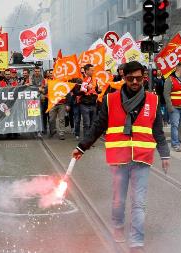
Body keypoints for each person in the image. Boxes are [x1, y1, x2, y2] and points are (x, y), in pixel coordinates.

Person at [72, 61, 170, 253]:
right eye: (131, 78)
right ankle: (117, 226)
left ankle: (136, 243)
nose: (135, 81)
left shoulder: (153, 100)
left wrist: (165, 154)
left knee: (139, 203)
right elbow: (98, 126)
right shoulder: (110, 99)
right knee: (119, 200)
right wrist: (82, 147)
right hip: (119, 159)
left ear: (144, 78)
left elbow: (158, 130)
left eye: (139, 78)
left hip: (142, 157)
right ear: (123, 77)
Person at [164, 62, 181, 152]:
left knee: (178, 126)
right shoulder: (169, 79)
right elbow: (166, 94)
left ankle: (175, 141)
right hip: (174, 107)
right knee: (174, 125)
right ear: (180, 68)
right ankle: (175, 144)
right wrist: (170, 107)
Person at [79, 64, 99, 138]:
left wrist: (98, 90)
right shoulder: (80, 79)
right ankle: (86, 140)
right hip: (84, 104)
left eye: (93, 70)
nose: (93, 71)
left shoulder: (95, 79)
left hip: (93, 104)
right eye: (91, 70)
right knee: (86, 123)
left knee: (92, 123)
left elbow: (96, 90)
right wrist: (86, 88)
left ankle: (90, 140)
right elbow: (77, 92)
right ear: (86, 71)